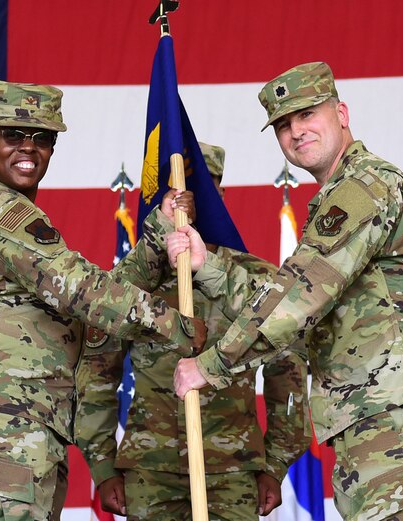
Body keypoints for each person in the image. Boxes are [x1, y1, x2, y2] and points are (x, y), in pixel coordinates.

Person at [170, 62, 403, 521]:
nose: (296, 132)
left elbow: (298, 297)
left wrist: (210, 366)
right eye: (284, 125)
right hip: (381, 414)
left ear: (342, 113)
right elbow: (297, 292)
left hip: (399, 416)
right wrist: (205, 266)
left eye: (307, 114)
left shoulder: (363, 186)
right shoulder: (342, 194)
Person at [0, 78, 205, 521]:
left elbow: (83, 302)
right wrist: (173, 325)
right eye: (12, 135)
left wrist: (158, 233)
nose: (28, 148)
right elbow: (77, 288)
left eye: (42, 138)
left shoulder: (20, 218)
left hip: (19, 412)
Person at [75, 142, 312, 521]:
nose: (189, 200)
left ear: (220, 192)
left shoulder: (257, 278)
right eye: (177, 191)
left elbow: (289, 377)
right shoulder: (135, 283)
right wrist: (102, 466)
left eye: (201, 187)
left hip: (234, 469)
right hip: (150, 471)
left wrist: (275, 465)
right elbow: (98, 372)